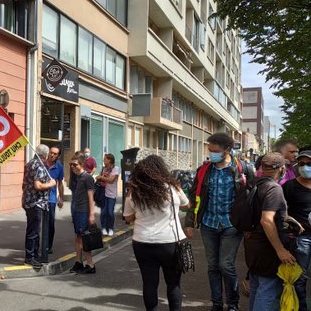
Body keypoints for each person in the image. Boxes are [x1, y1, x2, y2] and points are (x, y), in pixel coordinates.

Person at [184, 133, 245, 311]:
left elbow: (248, 198)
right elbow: (194, 197)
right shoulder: (204, 170)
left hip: (231, 225)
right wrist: (189, 222)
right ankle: (217, 303)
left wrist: (249, 225)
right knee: (212, 266)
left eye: (215, 150)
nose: (211, 154)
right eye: (210, 150)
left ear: (227, 149)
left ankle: (233, 304)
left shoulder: (241, 169)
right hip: (208, 224)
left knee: (226, 265)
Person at [124, 155, 190, 311]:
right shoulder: (172, 188)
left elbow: (127, 217)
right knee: (173, 283)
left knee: (149, 283)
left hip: (142, 242)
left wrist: (141, 213)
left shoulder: (134, 192)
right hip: (170, 242)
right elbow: (187, 205)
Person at [244, 152, 298, 310]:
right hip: (267, 248)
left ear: (262, 167)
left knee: (256, 287)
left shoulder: (254, 183)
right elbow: (266, 220)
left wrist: (289, 219)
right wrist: (280, 250)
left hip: (252, 244)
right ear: (282, 169)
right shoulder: (274, 188)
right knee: (268, 291)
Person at [282, 148, 311, 310]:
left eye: (309, 163)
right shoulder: (289, 186)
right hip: (301, 238)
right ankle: (302, 307)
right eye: (302, 163)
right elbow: (280, 211)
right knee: (300, 277)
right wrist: (290, 220)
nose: (305, 167)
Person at [22, 144, 56, 269]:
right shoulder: (39, 166)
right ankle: (30, 257)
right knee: (34, 231)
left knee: (33, 229)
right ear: (45, 155)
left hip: (28, 200)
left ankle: (34, 255)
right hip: (36, 202)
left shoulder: (30, 163)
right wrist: (51, 184)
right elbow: (38, 186)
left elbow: (25, 183)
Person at [68, 153, 96, 274]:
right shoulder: (76, 177)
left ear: (82, 164)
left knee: (84, 237)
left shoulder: (87, 178)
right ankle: (79, 262)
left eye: (75, 165)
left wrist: (92, 215)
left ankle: (90, 265)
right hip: (76, 210)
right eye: (71, 165)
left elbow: (91, 197)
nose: (73, 167)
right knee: (78, 237)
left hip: (83, 211)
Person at [46, 146, 64, 255]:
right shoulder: (42, 164)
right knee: (38, 223)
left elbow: (60, 183)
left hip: (51, 199)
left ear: (58, 156)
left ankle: (48, 245)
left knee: (50, 223)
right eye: (51, 152)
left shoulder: (59, 167)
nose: (52, 155)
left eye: (55, 154)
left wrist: (60, 198)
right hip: (39, 198)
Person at [96, 153, 119, 236]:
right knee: (103, 212)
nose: (103, 160)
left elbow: (111, 180)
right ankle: (103, 228)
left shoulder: (116, 169)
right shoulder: (103, 168)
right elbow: (98, 178)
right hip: (103, 193)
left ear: (109, 160)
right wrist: (100, 177)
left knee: (110, 212)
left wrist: (101, 177)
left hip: (112, 194)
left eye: (105, 159)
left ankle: (110, 228)